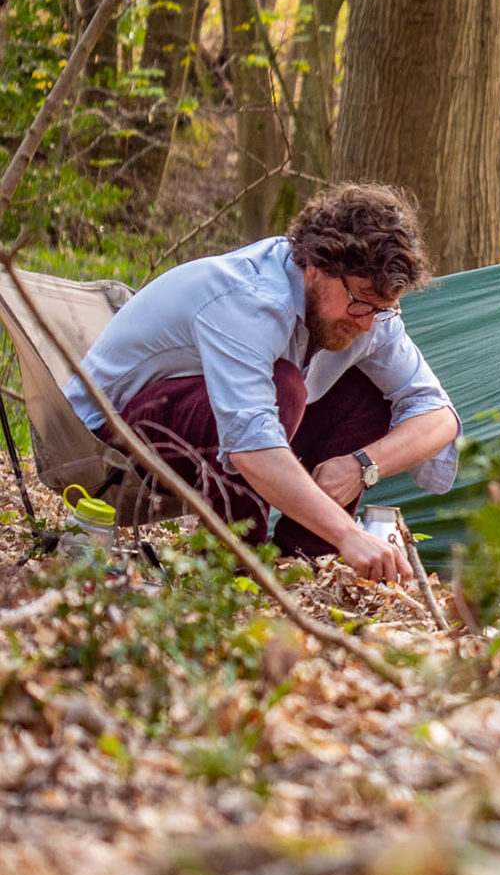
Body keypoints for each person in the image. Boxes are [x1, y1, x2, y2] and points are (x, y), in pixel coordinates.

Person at [65, 183, 461, 581]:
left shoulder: (370, 314)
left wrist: (362, 466)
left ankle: (302, 565)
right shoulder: (250, 299)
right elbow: (251, 442)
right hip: (109, 438)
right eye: (360, 301)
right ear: (316, 267)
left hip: (207, 431)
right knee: (282, 387)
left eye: (382, 308)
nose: (366, 322)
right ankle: (232, 571)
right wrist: (349, 534)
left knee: (369, 397)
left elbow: (438, 416)